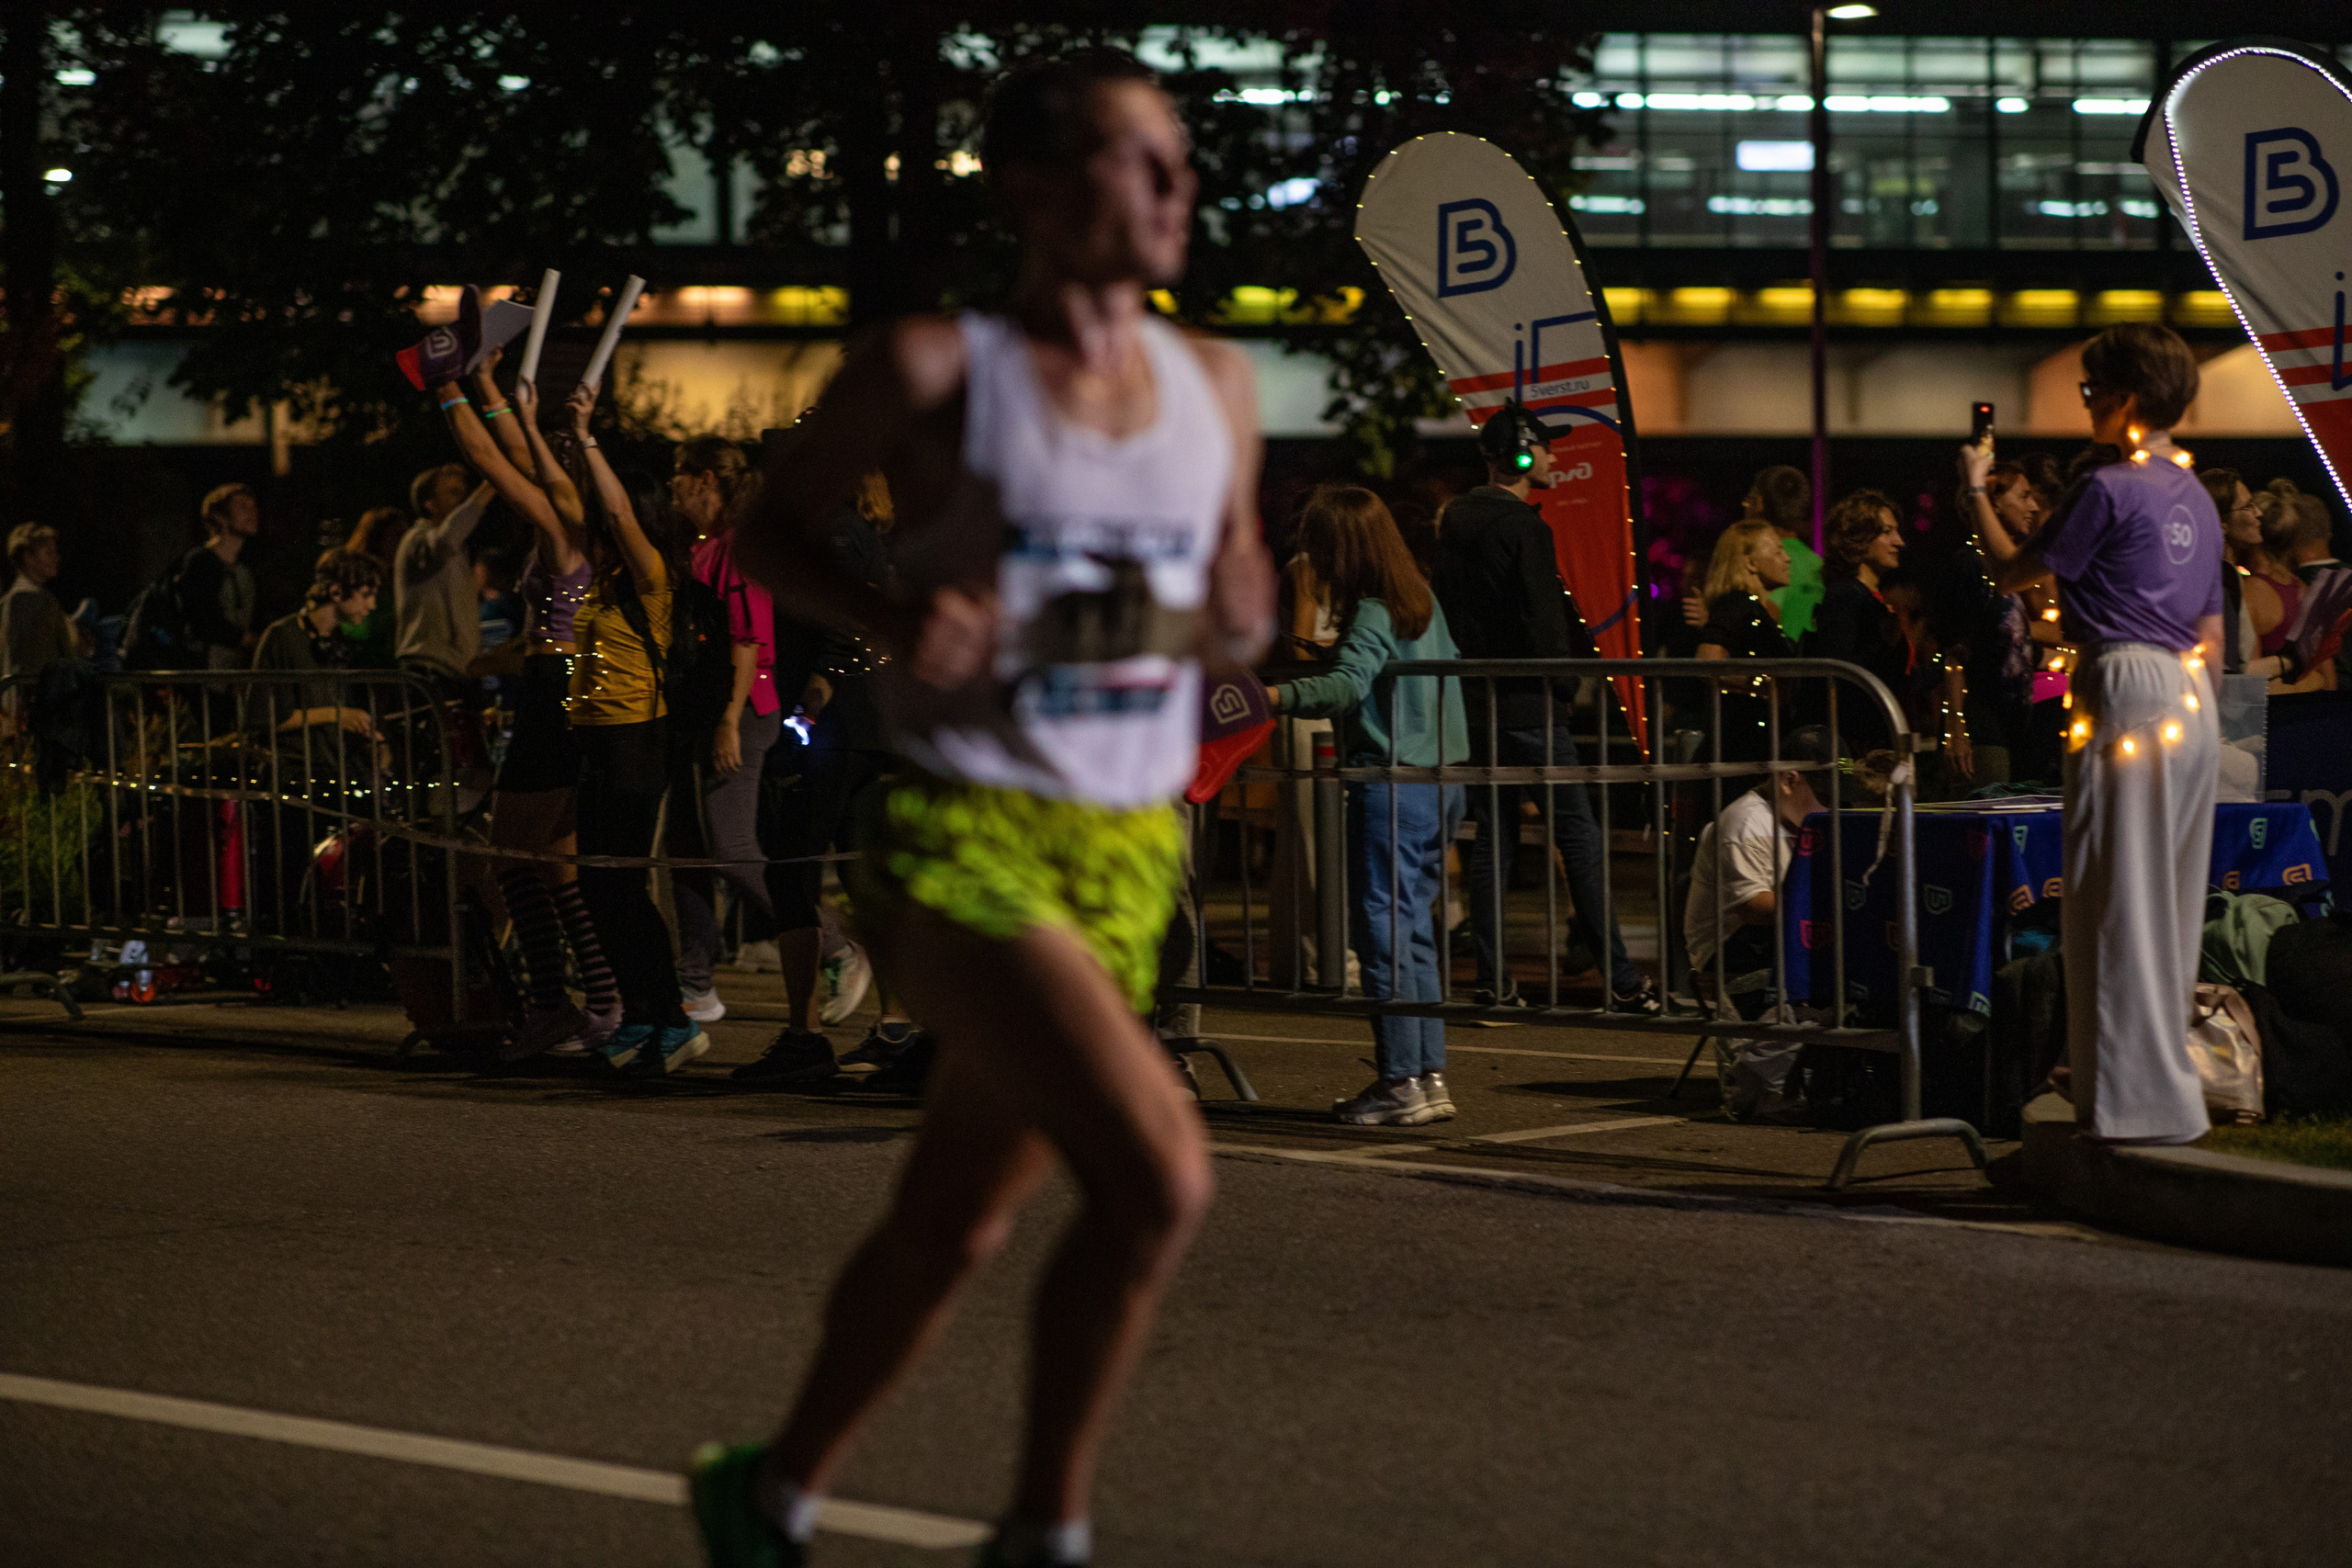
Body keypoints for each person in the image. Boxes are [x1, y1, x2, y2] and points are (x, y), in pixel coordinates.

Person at [696, 51, 1273, 1568]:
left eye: (1179, 162)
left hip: (1129, 847)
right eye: (1132, 161)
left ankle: (769, 1490)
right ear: (1029, 185)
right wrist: (892, 624)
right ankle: (1045, 1530)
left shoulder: (1218, 385)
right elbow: (765, 529)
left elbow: (1239, 588)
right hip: (965, 835)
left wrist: (1236, 600)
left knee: (952, 1223)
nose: (1173, 190)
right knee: (1158, 1175)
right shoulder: (941, 369)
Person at [1962, 321, 2222, 1145]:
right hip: (2189, 699)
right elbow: (2213, 629)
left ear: (2129, 396)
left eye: (2090, 389)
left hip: (2122, 683)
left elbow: (2014, 571)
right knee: (2168, 907)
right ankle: (2157, 1092)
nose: (2084, 404)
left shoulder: (2108, 486)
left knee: (2112, 899)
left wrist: (1975, 489)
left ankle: (2126, 1102)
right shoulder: (2198, 494)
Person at [1432, 398, 1660, 1014]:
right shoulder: (1527, 527)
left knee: (1495, 839)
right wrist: (1561, 688)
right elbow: (1542, 620)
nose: (1556, 457)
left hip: (1475, 701)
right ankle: (1620, 979)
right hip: (1530, 703)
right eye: (1548, 448)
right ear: (1524, 456)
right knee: (1578, 835)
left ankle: (1492, 979)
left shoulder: (1455, 518)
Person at [433, 364, 623, 1059]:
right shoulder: (580, 517)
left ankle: (555, 1004)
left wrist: (448, 385)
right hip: (565, 680)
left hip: (556, 688)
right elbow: (510, 450)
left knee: (509, 859)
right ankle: (600, 1002)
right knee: (553, 866)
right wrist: (488, 388)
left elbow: (487, 456)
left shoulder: (563, 523)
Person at [1267, 485, 1467, 1126]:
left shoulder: (1375, 608)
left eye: (1318, 546)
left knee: (1381, 930)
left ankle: (1398, 1078)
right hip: (1441, 776)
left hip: (1390, 779)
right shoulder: (1421, 601)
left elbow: (1348, 687)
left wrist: (1273, 697)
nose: (1312, 559)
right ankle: (1427, 1073)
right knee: (1412, 929)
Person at [668, 434, 805, 1034]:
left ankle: (831, 944)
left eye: (680, 475)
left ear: (705, 480)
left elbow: (747, 639)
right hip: (706, 710)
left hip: (741, 709)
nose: (673, 487)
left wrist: (728, 717)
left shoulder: (736, 548)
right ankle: (695, 981)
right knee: (688, 850)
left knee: (731, 847)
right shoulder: (700, 548)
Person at [1682, 723, 1832, 1121]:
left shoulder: (1803, 821)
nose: (1828, 809)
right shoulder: (1746, 822)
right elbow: (1754, 907)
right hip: (1735, 947)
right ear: (1789, 781)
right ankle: (1759, 1079)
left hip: (1783, 936)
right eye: (1822, 796)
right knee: (1812, 987)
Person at [1806, 489, 1911, 755]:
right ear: (1858, 539)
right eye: (1887, 532)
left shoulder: (1868, 597)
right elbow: (1838, 673)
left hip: (1876, 738)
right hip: (1859, 747)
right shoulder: (1846, 595)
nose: (1899, 542)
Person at [249, 547, 387, 732]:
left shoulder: (339, 642)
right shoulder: (281, 636)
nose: (372, 605)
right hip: (294, 760)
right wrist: (334, 714)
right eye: (366, 595)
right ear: (336, 592)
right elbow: (262, 719)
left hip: (335, 760)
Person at [1692, 517, 1793, 761]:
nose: (1787, 558)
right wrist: (1764, 684)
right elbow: (1706, 661)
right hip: (1741, 743)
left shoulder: (1754, 607)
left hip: (1750, 739)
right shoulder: (1738, 604)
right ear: (1750, 563)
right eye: (1778, 550)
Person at [394, 454, 493, 691]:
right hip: (430, 670)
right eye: (453, 493)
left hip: (454, 671)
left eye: (464, 492)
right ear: (430, 504)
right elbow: (446, 539)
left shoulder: (455, 551)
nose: (464, 500)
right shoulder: (417, 541)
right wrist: (490, 486)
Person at [184, 483, 263, 670]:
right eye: (242, 507)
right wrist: (247, 640)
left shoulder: (244, 568)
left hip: (234, 669)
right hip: (207, 670)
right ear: (220, 516)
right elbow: (204, 620)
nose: (252, 513)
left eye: (253, 507)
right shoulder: (201, 561)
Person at [1, 524, 85, 699]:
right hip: (41, 701)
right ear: (28, 557)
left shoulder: (8, 601)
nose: (56, 558)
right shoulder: (40, 602)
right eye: (48, 553)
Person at [1744, 464, 1823, 643]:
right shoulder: (1818, 563)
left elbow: (1768, 614)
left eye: (1748, 500)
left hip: (1777, 668)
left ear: (1759, 503)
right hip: (1813, 666)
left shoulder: (1764, 560)